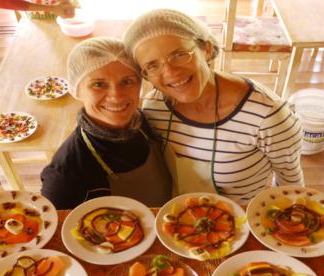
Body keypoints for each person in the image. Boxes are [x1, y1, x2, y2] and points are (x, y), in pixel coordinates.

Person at [123, 9, 303, 205]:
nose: (170, 72)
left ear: (206, 49)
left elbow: (290, 184)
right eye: (152, 65)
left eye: (179, 54)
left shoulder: (268, 115)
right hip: (178, 221)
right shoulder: (154, 108)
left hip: (241, 224)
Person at [40, 37, 171, 210]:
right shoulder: (65, 174)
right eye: (98, 84)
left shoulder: (145, 122)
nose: (116, 96)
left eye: (127, 81)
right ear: (76, 90)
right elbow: (54, 229)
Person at [0, 0, 75, 18]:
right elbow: (2, 1)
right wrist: (52, 8)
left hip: (65, 10)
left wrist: (64, 1)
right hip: (37, 18)